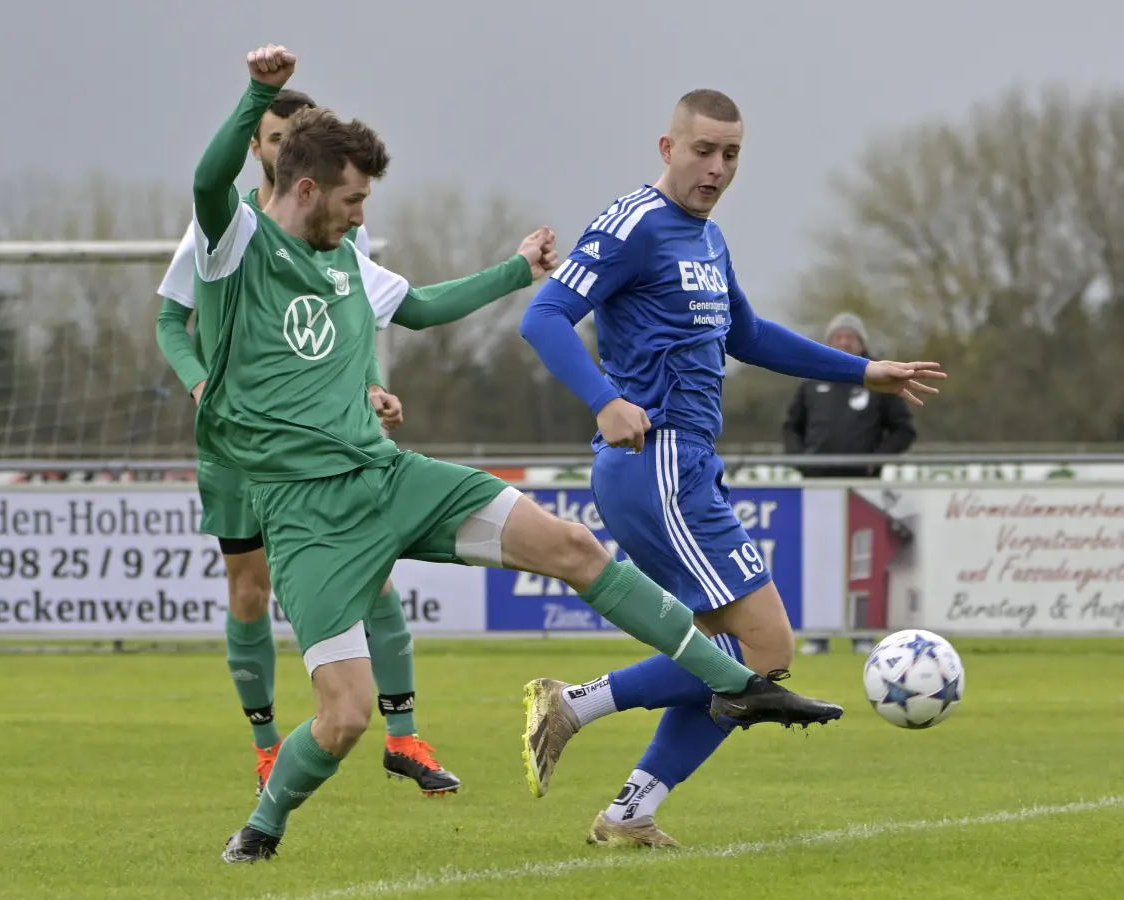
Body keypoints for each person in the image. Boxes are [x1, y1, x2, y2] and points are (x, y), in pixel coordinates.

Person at [197, 46, 844, 864]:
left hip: (391, 480)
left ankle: (736, 683)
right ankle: (261, 829)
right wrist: (257, 92)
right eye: (354, 200)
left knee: (571, 546)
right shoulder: (237, 246)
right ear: (306, 188)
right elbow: (205, 184)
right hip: (307, 518)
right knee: (346, 718)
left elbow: (425, 308)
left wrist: (514, 270)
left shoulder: (348, 263)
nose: (362, 217)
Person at [517, 89, 947, 847]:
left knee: (740, 669)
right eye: (704, 150)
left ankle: (630, 813)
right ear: (667, 147)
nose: (716, 168)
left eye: (732, 155)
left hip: (689, 468)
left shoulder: (706, 242)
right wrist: (603, 399)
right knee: (766, 651)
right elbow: (543, 315)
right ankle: (574, 706)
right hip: (656, 462)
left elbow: (746, 334)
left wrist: (864, 371)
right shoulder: (635, 226)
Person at [157, 86, 498, 799]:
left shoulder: (342, 228)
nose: (284, 149)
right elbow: (169, 322)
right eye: (274, 138)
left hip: (324, 442)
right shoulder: (221, 228)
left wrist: (369, 385)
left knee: (373, 575)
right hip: (236, 448)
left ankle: (404, 736)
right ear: (258, 147)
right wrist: (199, 387)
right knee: (249, 592)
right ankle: (264, 747)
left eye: (294, 138)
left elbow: (357, 320)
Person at [783, 312, 917, 478]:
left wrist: (875, 461)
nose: (844, 342)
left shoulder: (880, 380)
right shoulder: (812, 378)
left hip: (863, 483)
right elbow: (791, 426)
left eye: (850, 337)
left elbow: (904, 430)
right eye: (838, 337)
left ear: (861, 343)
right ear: (828, 343)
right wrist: (799, 460)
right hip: (816, 481)